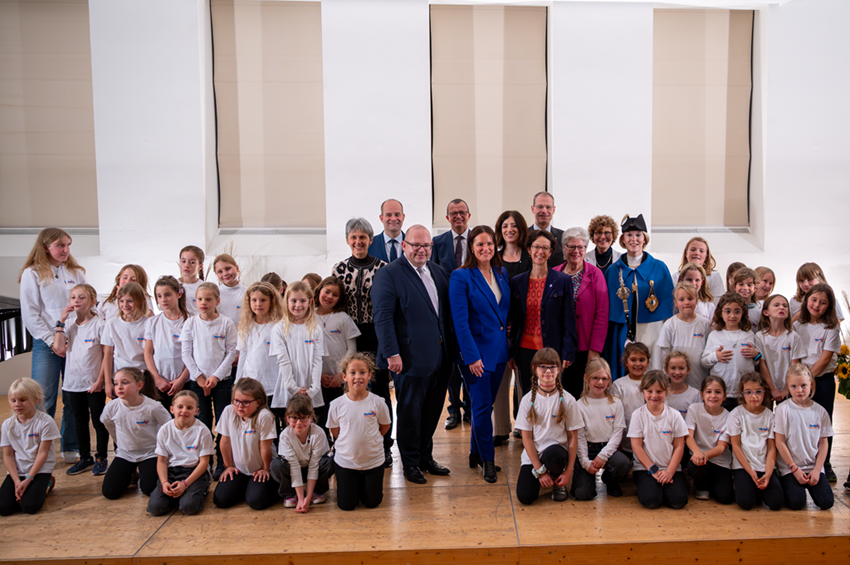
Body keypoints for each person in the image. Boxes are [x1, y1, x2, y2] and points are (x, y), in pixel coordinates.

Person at [372, 224, 455, 485]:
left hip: (440, 357)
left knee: (432, 412)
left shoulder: (439, 272)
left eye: (426, 245)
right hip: (407, 358)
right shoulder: (389, 274)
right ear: (404, 245)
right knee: (409, 413)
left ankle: (424, 457)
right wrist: (391, 353)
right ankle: (409, 462)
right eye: (416, 245)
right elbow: (383, 318)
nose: (421, 250)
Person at [19, 227, 86, 462]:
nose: (66, 249)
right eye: (60, 245)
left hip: (76, 343)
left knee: (72, 397)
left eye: (68, 244)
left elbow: (86, 305)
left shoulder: (76, 272)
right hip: (46, 344)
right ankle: (38, 450)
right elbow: (31, 315)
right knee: (42, 397)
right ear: (45, 247)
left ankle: (70, 446)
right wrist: (52, 340)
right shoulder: (33, 273)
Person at [449, 225, 510, 482]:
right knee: (482, 406)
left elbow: (503, 312)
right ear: (471, 248)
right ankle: (487, 459)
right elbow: (460, 322)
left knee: (486, 404)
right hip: (475, 354)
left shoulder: (501, 271)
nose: (485, 248)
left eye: (489, 244)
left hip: (499, 351)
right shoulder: (461, 276)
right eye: (479, 244)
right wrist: (472, 357)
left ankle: (475, 452)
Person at [332, 217, 393, 465]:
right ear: (348, 240)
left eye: (363, 237)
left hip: (375, 334)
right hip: (347, 335)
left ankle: (384, 445)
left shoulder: (383, 268)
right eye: (354, 237)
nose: (358, 241)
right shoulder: (339, 269)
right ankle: (347, 444)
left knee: (379, 391)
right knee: (350, 390)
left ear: (370, 239)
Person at [509, 230, 577, 415]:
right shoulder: (517, 281)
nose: (540, 251)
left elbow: (569, 318)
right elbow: (513, 319)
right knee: (528, 393)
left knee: (552, 394)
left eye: (545, 248)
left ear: (550, 252)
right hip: (524, 349)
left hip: (552, 349)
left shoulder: (562, 280)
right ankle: (528, 432)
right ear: (529, 250)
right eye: (536, 247)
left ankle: (551, 432)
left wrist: (568, 351)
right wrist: (511, 351)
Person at [604, 214, 674, 379]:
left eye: (638, 235)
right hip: (622, 329)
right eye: (629, 235)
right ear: (623, 239)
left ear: (644, 239)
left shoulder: (659, 267)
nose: (633, 239)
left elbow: (668, 305)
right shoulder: (613, 271)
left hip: (652, 328)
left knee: (652, 370)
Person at [180, 282, 238, 480]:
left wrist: (215, 377)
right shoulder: (190, 323)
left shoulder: (226, 323)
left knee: (223, 422)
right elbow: (186, 353)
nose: (203, 303)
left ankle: (223, 463)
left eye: (208, 299)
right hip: (198, 382)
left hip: (222, 382)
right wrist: (200, 377)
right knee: (202, 421)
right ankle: (203, 463)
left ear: (217, 301)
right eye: (199, 299)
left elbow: (231, 352)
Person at [54, 284, 108, 476]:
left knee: (99, 422)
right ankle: (85, 457)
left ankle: (101, 456)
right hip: (72, 384)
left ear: (93, 301)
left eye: (82, 297)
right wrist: (61, 321)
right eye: (73, 297)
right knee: (79, 422)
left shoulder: (100, 324)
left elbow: (106, 355)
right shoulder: (68, 325)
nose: (76, 301)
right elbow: (58, 347)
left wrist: (101, 380)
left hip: (93, 383)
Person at [515, 348, 581, 505]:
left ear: (559, 369)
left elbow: (573, 438)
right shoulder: (526, 401)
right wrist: (540, 471)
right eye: (543, 367)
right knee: (525, 497)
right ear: (534, 369)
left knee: (555, 454)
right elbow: (527, 439)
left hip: (557, 455)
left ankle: (558, 481)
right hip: (535, 457)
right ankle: (546, 478)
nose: (548, 371)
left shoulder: (568, 400)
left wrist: (568, 471)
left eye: (552, 366)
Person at [326, 353, 391, 510]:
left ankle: (366, 484)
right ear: (344, 376)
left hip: (373, 462)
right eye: (352, 372)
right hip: (346, 463)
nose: (358, 377)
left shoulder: (378, 403)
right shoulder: (336, 405)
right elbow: (335, 431)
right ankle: (353, 484)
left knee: (372, 503)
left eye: (362, 372)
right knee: (347, 505)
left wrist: (369, 440)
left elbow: (384, 427)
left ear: (369, 375)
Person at [553, 226, 609, 399]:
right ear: (564, 248)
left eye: (581, 247)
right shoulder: (554, 274)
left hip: (585, 348)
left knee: (580, 394)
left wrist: (594, 349)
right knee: (558, 394)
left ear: (586, 249)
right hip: (558, 346)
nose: (576, 251)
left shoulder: (596, 274)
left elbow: (602, 314)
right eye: (571, 247)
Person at [792, 283, 840, 482]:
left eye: (823, 303)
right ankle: (797, 462)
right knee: (798, 422)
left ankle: (825, 463)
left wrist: (808, 381)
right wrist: (799, 380)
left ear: (829, 306)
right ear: (806, 300)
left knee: (823, 422)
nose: (817, 305)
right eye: (813, 300)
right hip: (799, 381)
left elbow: (826, 358)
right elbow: (794, 353)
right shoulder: (798, 324)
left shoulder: (831, 326)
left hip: (822, 380)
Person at [431, 199, 472, 429]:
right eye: (453, 213)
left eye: (462, 212)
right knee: (451, 365)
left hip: (472, 310)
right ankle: (454, 409)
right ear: (447, 218)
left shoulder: (477, 240)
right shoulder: (437, 243)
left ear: (469, 215)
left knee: (470, 359)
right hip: (446, 312)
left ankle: (469, 408)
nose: (458, 216)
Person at [100, 368, 170, 499]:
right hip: (125, 454)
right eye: (116, 383)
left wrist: (163, 450)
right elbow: (107, 423)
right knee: (110, 493)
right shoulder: (111, 407)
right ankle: (128, 475)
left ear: (139, 385)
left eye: (124, 383)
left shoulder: (153, 406)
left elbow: (168, 427)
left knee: (150, 489)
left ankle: (150, 472)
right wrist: (119, 442)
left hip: (150, 453)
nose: (119, 387)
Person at [774, 364, 834, 510]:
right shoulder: (783, 410)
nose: (799, 390)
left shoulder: (820, 411)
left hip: (813, 467)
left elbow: (823, 443)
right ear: (788, 386)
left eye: (803, 385)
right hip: (791, 468)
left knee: (826, 502)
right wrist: (794, 469)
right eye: (794, 386)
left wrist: (818, 469)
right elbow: (780, 442)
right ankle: (784, 482)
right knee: (797, 503)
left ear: (811, 384)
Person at [212, 378, 278, 510]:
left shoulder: (264, 416)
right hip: (240, 470)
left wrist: (265, 469)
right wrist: (229, 466)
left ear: (258, 402)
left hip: (260, 469)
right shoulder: (229, 411)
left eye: (246, 402)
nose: (240, 406)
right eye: (236, 401)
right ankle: (247, 487)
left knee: (256, 502)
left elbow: (264, 447)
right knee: (220, 499)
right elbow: (224, 442)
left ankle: (268, 488)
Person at [721, 372, 783, 511]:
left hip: (764, 465)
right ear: (742, 394)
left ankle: (763, 485)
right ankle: (747, 484)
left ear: (764, 393)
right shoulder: (736, 414)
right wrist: (750, 471)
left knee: (776, 503)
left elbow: (772, 448)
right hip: (744, 466)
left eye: (758, 392)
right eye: (748, 392)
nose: (753, 396)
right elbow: (736, 446)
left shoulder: (770, 416)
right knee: (746, 503)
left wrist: (767, 473)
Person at [494, 210, 531, 443]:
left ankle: (523, 424)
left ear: (521, 229)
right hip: (498, 326)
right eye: (505, 225)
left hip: (525, 326)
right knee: (500, 379)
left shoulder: (530, 256)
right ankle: (500, 428)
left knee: (524, 381)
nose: (510, 229)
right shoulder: (493, 258)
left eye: (514, 226)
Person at [147, 390, 214, 516]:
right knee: (155, 508)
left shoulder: (202, 431)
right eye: (180, 407)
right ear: (172, 410)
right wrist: (164, 482)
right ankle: (177, 495)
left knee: (189, 508)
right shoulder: (164, 430)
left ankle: (197, 490)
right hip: (171, 472)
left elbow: (204, 462)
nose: (184, 411)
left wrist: (185, 484)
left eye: (189, 408)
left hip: (193, 472)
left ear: (196, 411)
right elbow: (161, 461)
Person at [628, 370, 689, 510]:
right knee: (651, 501)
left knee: (678, 502)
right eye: (649, 391)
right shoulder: (638, 415)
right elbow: (636, 447)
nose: (654, 395)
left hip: (670, 468)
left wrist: (669, 472)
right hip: (645, 468)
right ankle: (651, 487)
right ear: (643, 392)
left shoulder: (675, 415)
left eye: (659, 391)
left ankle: (664, 486)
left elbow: (679, 446)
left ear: (666, 392)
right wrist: (654, 470)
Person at [572, 358, 631, 500]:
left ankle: (609, 479)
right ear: (586, 378)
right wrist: (586, 463)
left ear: (609, 380)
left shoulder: (616, 404)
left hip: (608, 448)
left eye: (604, 379)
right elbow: (579, 437)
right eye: (595, 378)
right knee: (582, 495)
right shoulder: (579, 405)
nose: (600, 382)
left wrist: (603, 455)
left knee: (623, 464)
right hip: (587, 448)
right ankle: (584, 478)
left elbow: (617, 434)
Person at [0, 379, 59, 516]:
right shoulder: (7, 425)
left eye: (22, 400)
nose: (17, 404)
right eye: (13, 400)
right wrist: (16, 481)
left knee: (29, 506)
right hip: (18, 470)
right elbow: (8, 455)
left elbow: (42, 454)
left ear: (35, 399)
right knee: (3, 508)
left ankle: (48, 482)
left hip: (39, 470)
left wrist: (28, 479)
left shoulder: (45, 422)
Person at [235, 282, 285, 432]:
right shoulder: (246, 326)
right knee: (255, 426)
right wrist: (238, 383)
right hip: (252, 386)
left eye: (263, 300)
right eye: (254, 300)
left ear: (271, 302)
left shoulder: (279, 326)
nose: (258, 304)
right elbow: (243, 355)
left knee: (273, 426)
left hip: (273, 386)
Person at [271, 394, 334, 512]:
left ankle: (317, 491)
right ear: (287, 418)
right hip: (294, 469)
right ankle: (290, 494)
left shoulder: (318, 433)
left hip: (313, 468)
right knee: (276, 465)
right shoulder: (285, 435)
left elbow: (314, 466)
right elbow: (294, 466)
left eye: (303, 417)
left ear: (311, 417)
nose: (299, 422)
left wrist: (308, 498)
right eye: (294, 418)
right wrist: (301, 499)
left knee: (330, 461)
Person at [314, 276, 360, 435]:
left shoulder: (343, 318)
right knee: (320, 417)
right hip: (317, 379)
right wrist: (317, 375)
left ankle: (341, 451)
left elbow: (352, 348)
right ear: (319, 290)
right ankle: (323, 452)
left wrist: (342, 374)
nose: (329, 297)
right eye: (327, 292)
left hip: (339, 380)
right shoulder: (308, 318)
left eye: (335, 295)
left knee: (340, 418)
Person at [702, 293, 759, 411]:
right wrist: (715, 356)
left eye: (737, 311)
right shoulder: (714, 335)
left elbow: (756, 363)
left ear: (743, 313)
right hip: (723, 393)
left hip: (744, 391)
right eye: (728, 311)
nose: (732, 315)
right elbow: (704, 362)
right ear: (720, 313)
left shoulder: (748, 334)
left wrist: (756, 355)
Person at [144, 276, 190, 411]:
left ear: (179, 294)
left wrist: (181, 379)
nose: (163, 299)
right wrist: (157, 379)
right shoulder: (152, 322)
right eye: (159, 296)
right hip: (160, 383)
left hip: (184, 382)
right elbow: (148, 352)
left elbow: (194, 355)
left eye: (168, 295)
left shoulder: (190, 321)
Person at [685, 376, 733, 504]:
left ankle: (714, 483)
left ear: (725, 396)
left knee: (725, 498)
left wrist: (705, 455)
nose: (713, 396)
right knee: (694, 465)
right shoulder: (694, 409)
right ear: (701, 394)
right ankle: (701, 486)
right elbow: (688, 436)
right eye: (709, 392)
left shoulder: (729, 416)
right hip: (699, 458)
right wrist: (698, 453)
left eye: (718, 392)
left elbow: (722, 446)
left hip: (719, 460)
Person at [657, 282, 711, 389]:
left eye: (690, 299)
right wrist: (665, 377)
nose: (686, 302)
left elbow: (709, 349)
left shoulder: (705, 323)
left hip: (700, 379)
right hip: (676, 380)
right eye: (681, 300)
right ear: (675, 302)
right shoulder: (669, 325)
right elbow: (664, 354)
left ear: (696, 300)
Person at [754, 294, 805, 402]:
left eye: (785, 306)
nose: (781, 307)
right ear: (766, 312)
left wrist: (786, 390)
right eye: (776, 305)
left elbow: (794, 366)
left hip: (789, 388)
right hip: (767, 388)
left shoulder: (793, 336)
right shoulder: (760, 336)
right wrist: (772, 389)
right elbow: (762, 364)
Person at [102, 282, 150, 395]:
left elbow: (151, 353)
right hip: (120, 376)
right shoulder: (112, 324)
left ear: (142, 300)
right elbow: (108, 354)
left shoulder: (148, 323)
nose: (125, 305)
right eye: (121, 301)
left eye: (130, 301)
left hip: (142, 375)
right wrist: (108, 382)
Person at [610, 342, 649, 453]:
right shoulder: (618, 385)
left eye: (642, 360)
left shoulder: (652, 382)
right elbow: (615, 415)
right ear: (626, 362)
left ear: (648, 362)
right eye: (633, 360)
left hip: (649, 441)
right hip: (625, 442)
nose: (638, 364)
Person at [679, 237, 724, 304]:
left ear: (706, 255)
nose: (697, 253)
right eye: (693, 249)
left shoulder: (714, 276)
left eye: (701, 251)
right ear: (686, 253)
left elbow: (717, 304)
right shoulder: (676, 276)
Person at [212, 253, 247, 330]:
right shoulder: (214, 293)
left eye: (228, 269)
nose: (225, 273)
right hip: (220, 337)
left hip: (242, 337)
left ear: (237, 267)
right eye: (220, 271)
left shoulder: (248, 293)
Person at [664, 351, 701, 418]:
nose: (677, 372)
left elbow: (698, 420)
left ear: (688, 370)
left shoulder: (695, 395)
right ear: (666, 369)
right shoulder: (662, 393)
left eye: (681, 368)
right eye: (673, 368)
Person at [367, 198, 406, 263]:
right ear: (381, 218)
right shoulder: (370, 245)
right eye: (388, 215)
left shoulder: (412, 244)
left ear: (403, 217)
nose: (393, 218)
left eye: (397, 215)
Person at [178, 245, 205, 316]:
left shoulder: (204, 287)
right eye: (183, 261)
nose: (186, 265)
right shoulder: (173, 285)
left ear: (200, 266)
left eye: (192, 262)